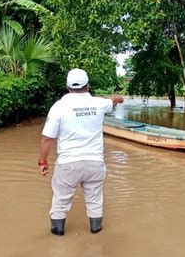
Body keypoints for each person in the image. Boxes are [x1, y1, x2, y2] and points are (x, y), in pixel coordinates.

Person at [38, 68, 124, 236]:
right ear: (88, 86)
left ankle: (57, 239)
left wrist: (43, 161)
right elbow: (112, 101)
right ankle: (96, 235)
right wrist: (119, 98)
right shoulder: (98, 103)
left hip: (68, 165)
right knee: (95, 202)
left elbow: (47, 139)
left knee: (60, 202)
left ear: (67, 87)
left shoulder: (59, 107)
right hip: (95, 164)